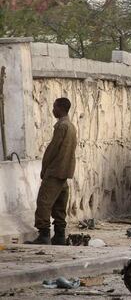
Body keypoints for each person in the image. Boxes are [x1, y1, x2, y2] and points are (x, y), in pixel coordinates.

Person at [25, 98, 77, 245]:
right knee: (60, 205)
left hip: (55, 171)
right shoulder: (71, 126)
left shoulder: (61, 126)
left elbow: (52, 150)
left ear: (60, 108)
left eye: (54, 107)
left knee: (44, 202)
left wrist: (44, 168)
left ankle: (44, 235)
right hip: (65, 171)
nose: (53, 110)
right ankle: (59, 236)